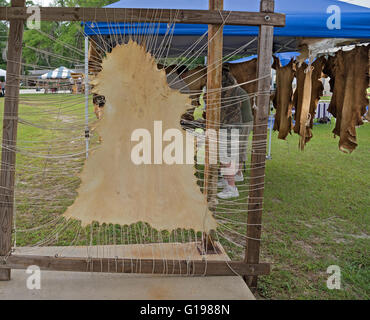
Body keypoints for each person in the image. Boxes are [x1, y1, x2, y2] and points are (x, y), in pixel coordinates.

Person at [217, 66, 253, 200]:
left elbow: (227, 112)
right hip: (232, 126)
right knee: (228, 155)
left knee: (228, 155)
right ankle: (228, 181)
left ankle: (231, 187)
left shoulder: (232, 93)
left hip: (233, 126)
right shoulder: (232, 90)